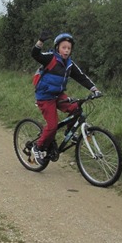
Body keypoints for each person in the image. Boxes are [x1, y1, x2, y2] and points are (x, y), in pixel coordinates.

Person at [31, 31, 101, 165]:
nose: (67, 50)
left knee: (76, 108)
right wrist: (40, 41)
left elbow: (81, 77)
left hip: (58, 95)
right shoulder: (50, 58)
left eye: (69, 48)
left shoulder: (69, 64)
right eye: (64, 47)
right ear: (57, 48)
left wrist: (94, 89)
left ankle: (69, 132)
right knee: (52, 126)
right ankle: (38, 147)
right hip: (45, 96)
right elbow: (35, 54)